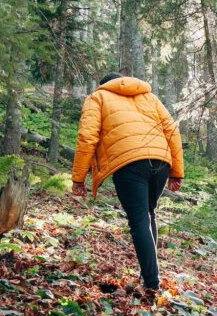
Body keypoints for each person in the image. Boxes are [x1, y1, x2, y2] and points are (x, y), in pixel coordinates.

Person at [71, 72, 184, 300]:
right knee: (149, 214)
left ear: (104, 85)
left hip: (128, 162)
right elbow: (172, 130)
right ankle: (149, 277)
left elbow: (87, 137)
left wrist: (78, 178)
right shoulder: (148, 97)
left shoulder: (98, 97)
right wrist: (177, 171)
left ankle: (152, 284)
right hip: (160, 161)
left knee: (140, 219)